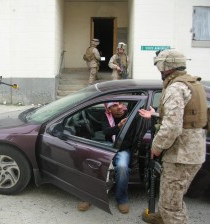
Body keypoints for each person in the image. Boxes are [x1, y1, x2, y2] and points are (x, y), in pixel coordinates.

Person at [139, 49, 208, 224]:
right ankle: (163, 217)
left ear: (166, 66)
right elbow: (184, 118)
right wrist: (155, 116)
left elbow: (172, 128)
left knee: (172, 205)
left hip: (181, 155)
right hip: (191, 151)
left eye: (159, 66)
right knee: (170, 193)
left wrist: (156, 147)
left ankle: (168, 217)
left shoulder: (175, 88)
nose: (159, 71)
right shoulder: (192, 83)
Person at [78, 102, 138, 214]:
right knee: (93, 164)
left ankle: (122, 199)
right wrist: (118, 127)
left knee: (122, 167)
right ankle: (89, 196)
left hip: (123, 148)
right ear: (109, 109)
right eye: (115, 105)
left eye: (120, 103)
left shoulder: (130, 115)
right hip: (108, 145)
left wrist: (116, 149)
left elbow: (131, 139)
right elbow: (106, 131)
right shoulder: (105, 115)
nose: (119, 107)